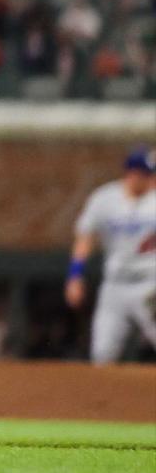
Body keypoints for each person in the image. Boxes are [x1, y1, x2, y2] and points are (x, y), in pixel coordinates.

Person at [66, 147, 156, 364]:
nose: (151, 179)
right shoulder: (105, 198)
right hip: (114, 287)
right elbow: (85, 237)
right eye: (147, 174)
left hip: (151, 285)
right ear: (132, 173)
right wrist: (75, 276)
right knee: (102, 354)